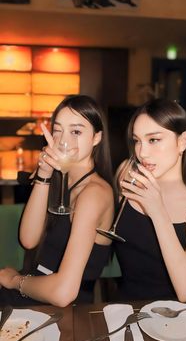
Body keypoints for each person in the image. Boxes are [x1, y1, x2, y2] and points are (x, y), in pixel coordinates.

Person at [0, 95, 114, 306]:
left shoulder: (94, 193)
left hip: (64, 307)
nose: (63, 140)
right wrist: (44, 174)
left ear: (96, 138)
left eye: (76, 131)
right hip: (35, 287)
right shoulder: (60, 179)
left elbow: (64, 293)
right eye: (58, 129)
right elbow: (28, 239)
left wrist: (14, 280)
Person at [114, 98, 186, 302]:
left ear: (183, 141)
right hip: (127, 309)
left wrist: (158, 211)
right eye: (137, 140)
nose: (142, 152)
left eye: (153, 140)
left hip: (178, 318)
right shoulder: (127, 176)